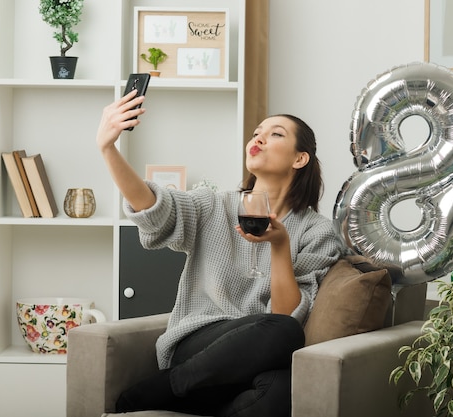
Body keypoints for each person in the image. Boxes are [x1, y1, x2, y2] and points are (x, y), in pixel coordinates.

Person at [96, 89, 342, 417]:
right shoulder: (213, 205)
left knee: (283, 382)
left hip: (251, 362)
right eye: (257, 133)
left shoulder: (318, 232)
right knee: (282, 334)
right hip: (198, 344)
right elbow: (154, 207)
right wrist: (108, 148)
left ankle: (177, 392)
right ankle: (166, 385)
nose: (260, 138)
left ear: (300, 158)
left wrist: (280, 247)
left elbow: (286, 315)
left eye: (275, 134)